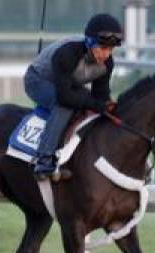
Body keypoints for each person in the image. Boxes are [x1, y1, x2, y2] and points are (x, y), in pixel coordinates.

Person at [23, 13, 123, 180]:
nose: (107, 54)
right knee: (65, 105)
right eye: (103, 48)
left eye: (111, 49)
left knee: (92, 108)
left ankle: (69, 156)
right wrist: (96, 105)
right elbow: (64, 97)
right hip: (38, 80)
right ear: (90, 42)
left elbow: (100, 96)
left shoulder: (107, 63)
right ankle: (44, 160)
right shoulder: (68, 53)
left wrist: (108, 107)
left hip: (68, 83)